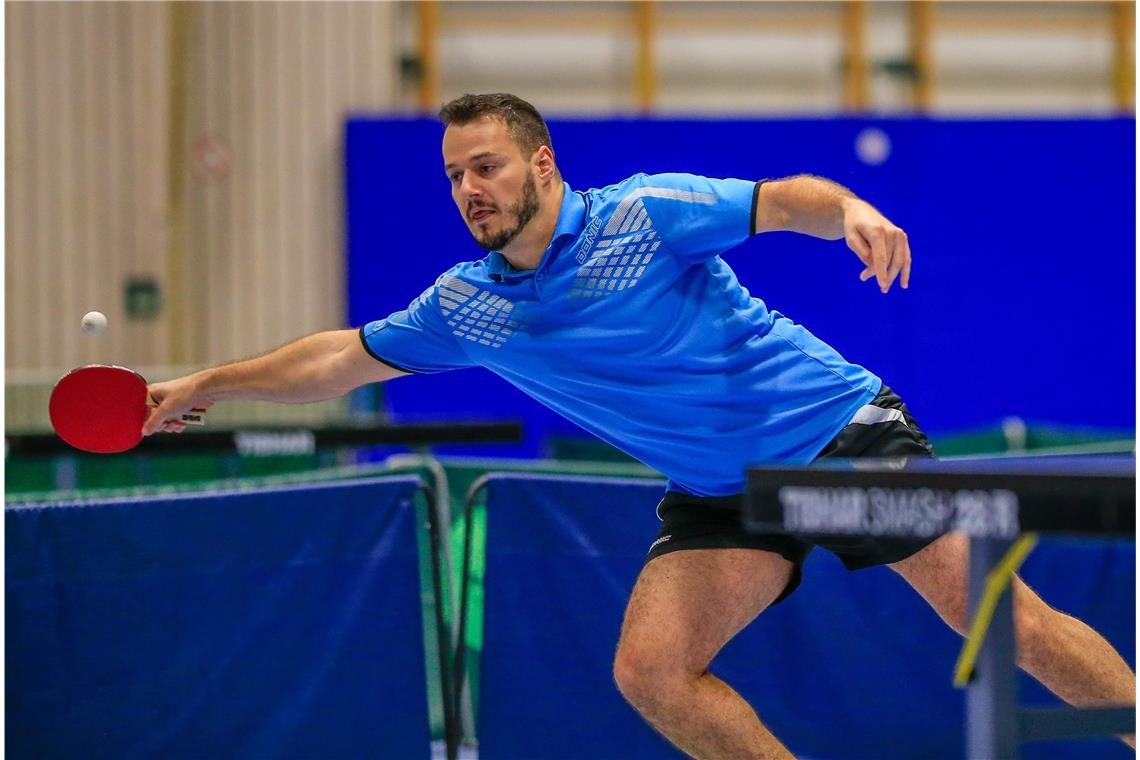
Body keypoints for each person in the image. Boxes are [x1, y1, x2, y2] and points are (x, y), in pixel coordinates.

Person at [145, 93, 1134, 758]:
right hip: (721, 493)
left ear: (541, 162)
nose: (468, 191)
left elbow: (786, 199)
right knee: (653, 669)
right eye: (453, 177)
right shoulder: (468, 304)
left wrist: (855, 212)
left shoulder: (644, 215)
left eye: (484, 166)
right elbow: (339, 356)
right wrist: (216, 381)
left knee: (1006, 621)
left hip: (837, 434)